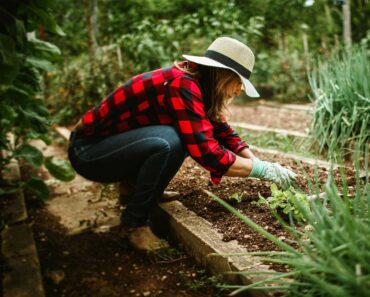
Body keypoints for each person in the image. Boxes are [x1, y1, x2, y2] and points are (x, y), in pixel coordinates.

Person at [68, 36, 296, 251]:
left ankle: (134, 192)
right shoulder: (182, 85)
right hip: (89, 152)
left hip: (111, 148)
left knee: (177, 136)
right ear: (223, 75)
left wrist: (256, 161)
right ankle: (134, 224)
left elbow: (222, 130)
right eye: (238, 83)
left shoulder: (197, 85)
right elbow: (208, 152)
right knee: (170, 141)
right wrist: (263, 170)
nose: (238, 90)